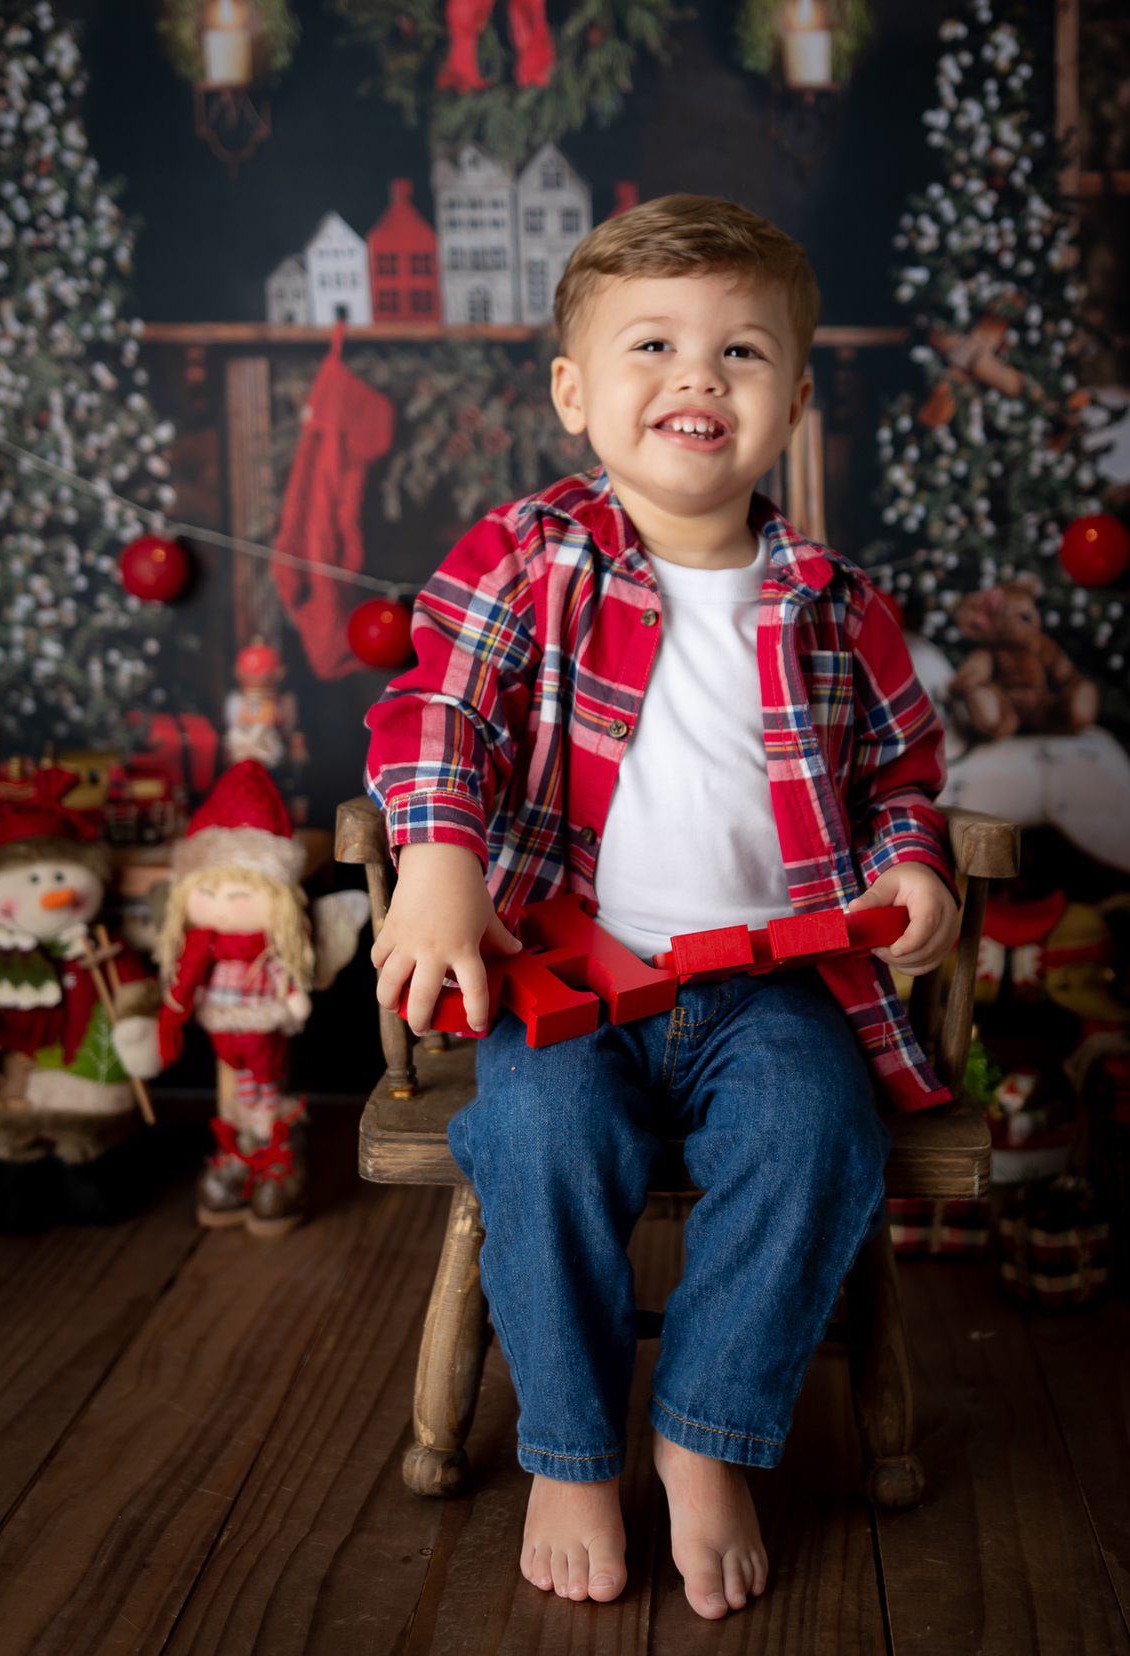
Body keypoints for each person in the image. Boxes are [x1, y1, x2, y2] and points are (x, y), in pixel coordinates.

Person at [364, 195, 958, 1621]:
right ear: (576, 393)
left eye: (742, 352)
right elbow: (434, 704)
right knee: (537, 1139)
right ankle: (572, 1451)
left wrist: (915, 859)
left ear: (795, 402)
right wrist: (438, 856)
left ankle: (704, 1427)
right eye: (654, 345)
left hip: (772, 986)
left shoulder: (834, 603)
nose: (699, 377)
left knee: (820, 1136)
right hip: (570, 973)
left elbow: (901, 767)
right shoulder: (533, 557)